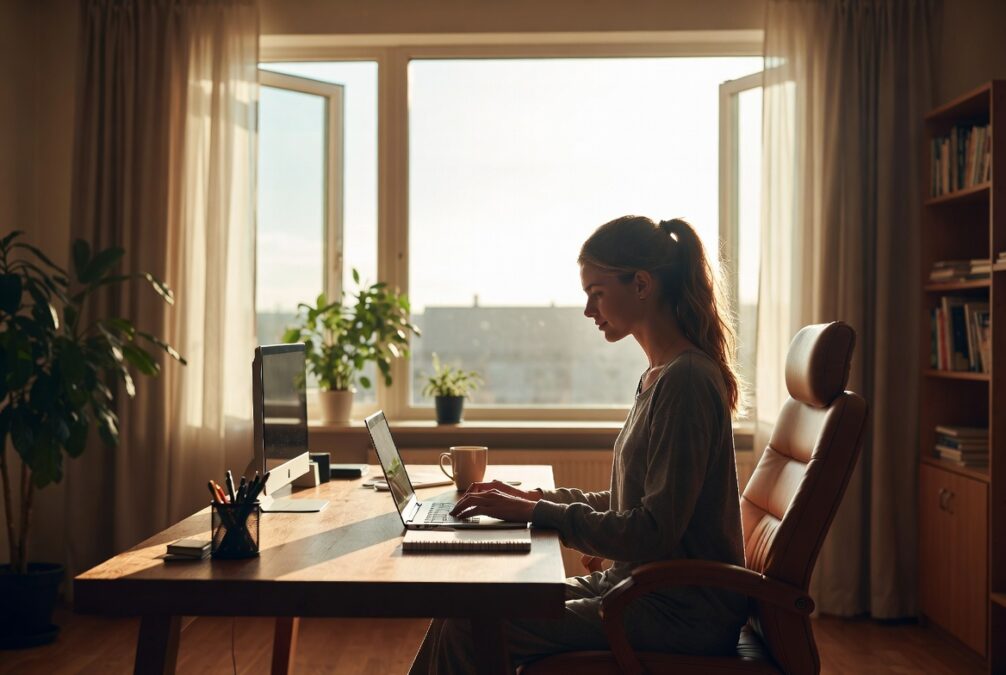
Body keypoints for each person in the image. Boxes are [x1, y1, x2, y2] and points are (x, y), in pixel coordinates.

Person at [409, 215, 747, 674]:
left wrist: (538, 513)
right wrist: (531, 499)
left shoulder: (685, 380)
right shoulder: (660, 375)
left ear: (642, 284)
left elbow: (653, 530)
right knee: (468, 605)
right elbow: (637, 503)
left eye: (597, 293)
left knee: (473, 628)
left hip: (677, 612)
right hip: (640, 589)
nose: (589, 310)